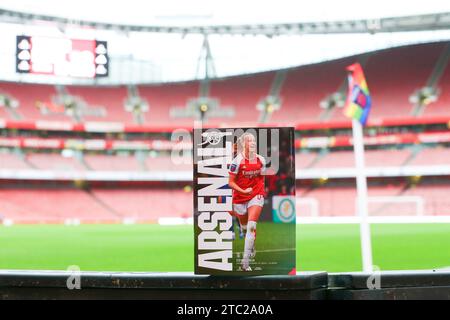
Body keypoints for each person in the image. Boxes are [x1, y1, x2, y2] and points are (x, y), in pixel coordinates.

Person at [228, 132, 266, 271]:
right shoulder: (236, 161)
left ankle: (245, 263)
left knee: (251, 227)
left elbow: (262, 177)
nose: (253, 143)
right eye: (250, 141)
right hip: (240, 198)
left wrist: (259, 191)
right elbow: (230, 182)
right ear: (244, 143)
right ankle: (251, 243)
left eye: (254, 140)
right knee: (244, 229)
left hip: (256, 195)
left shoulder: (261, 159)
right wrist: (243, 191)